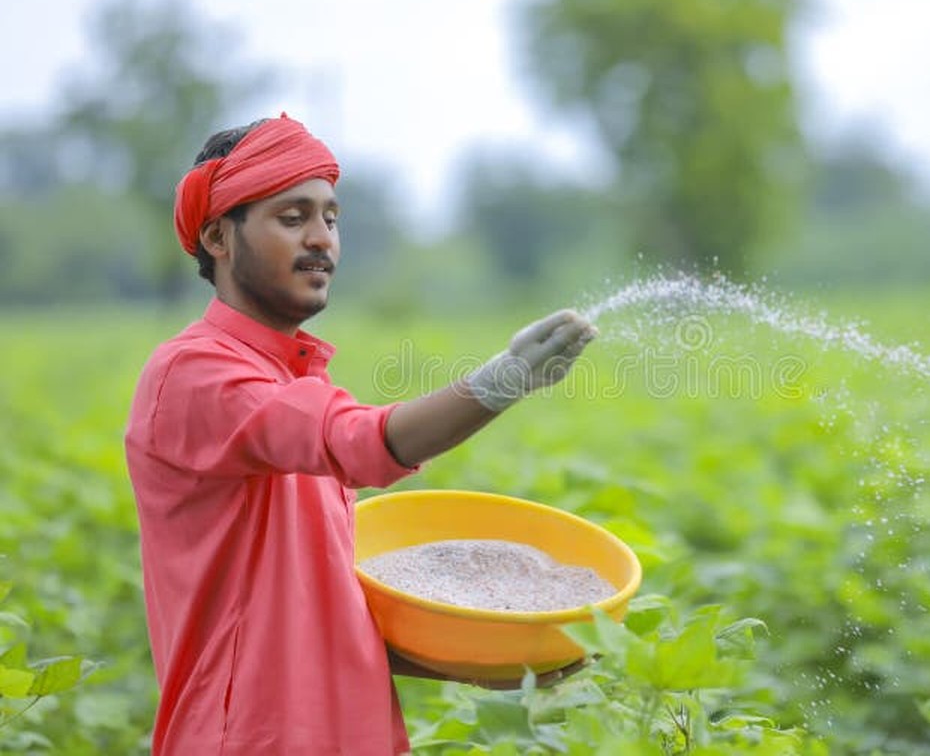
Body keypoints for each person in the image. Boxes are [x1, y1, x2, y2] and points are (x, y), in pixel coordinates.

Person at [124, 114, 596, 755]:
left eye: (331, 218)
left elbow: (326, 620)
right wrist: (501, 381)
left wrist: (504, 660)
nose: (322, 240)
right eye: (293, 218)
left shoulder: (283, 378)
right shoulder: (193, 373)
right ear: (218, 237)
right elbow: (358, 441)